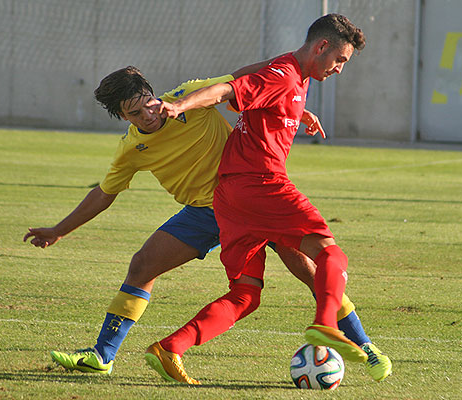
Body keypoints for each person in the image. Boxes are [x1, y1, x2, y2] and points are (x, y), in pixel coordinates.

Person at [23, 55, 389, 382]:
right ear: (122, 117)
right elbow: (104, 194)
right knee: (143, 266)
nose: (148, 114)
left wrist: (288, 106)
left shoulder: (188, 98)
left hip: (253, 197)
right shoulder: (132, 149)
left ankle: (365, 346)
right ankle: (103, 355)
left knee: (310, 272)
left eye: (149, 104)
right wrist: (59, 230)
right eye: (135, 113)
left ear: (155, 93)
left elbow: (245, 78)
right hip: (205, 213)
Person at [145, 14, 391, 384]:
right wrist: (181, 106)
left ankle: (170, 348)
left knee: (246, 293)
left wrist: (295, 111)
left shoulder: (294, 76)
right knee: (329, 253)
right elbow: (227, 90)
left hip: (230, 197)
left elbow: (247, 85)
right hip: (261, 184)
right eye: (339, 59)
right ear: (321, 46)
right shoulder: (284, 75)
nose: (340, 69)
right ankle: (325, 325)